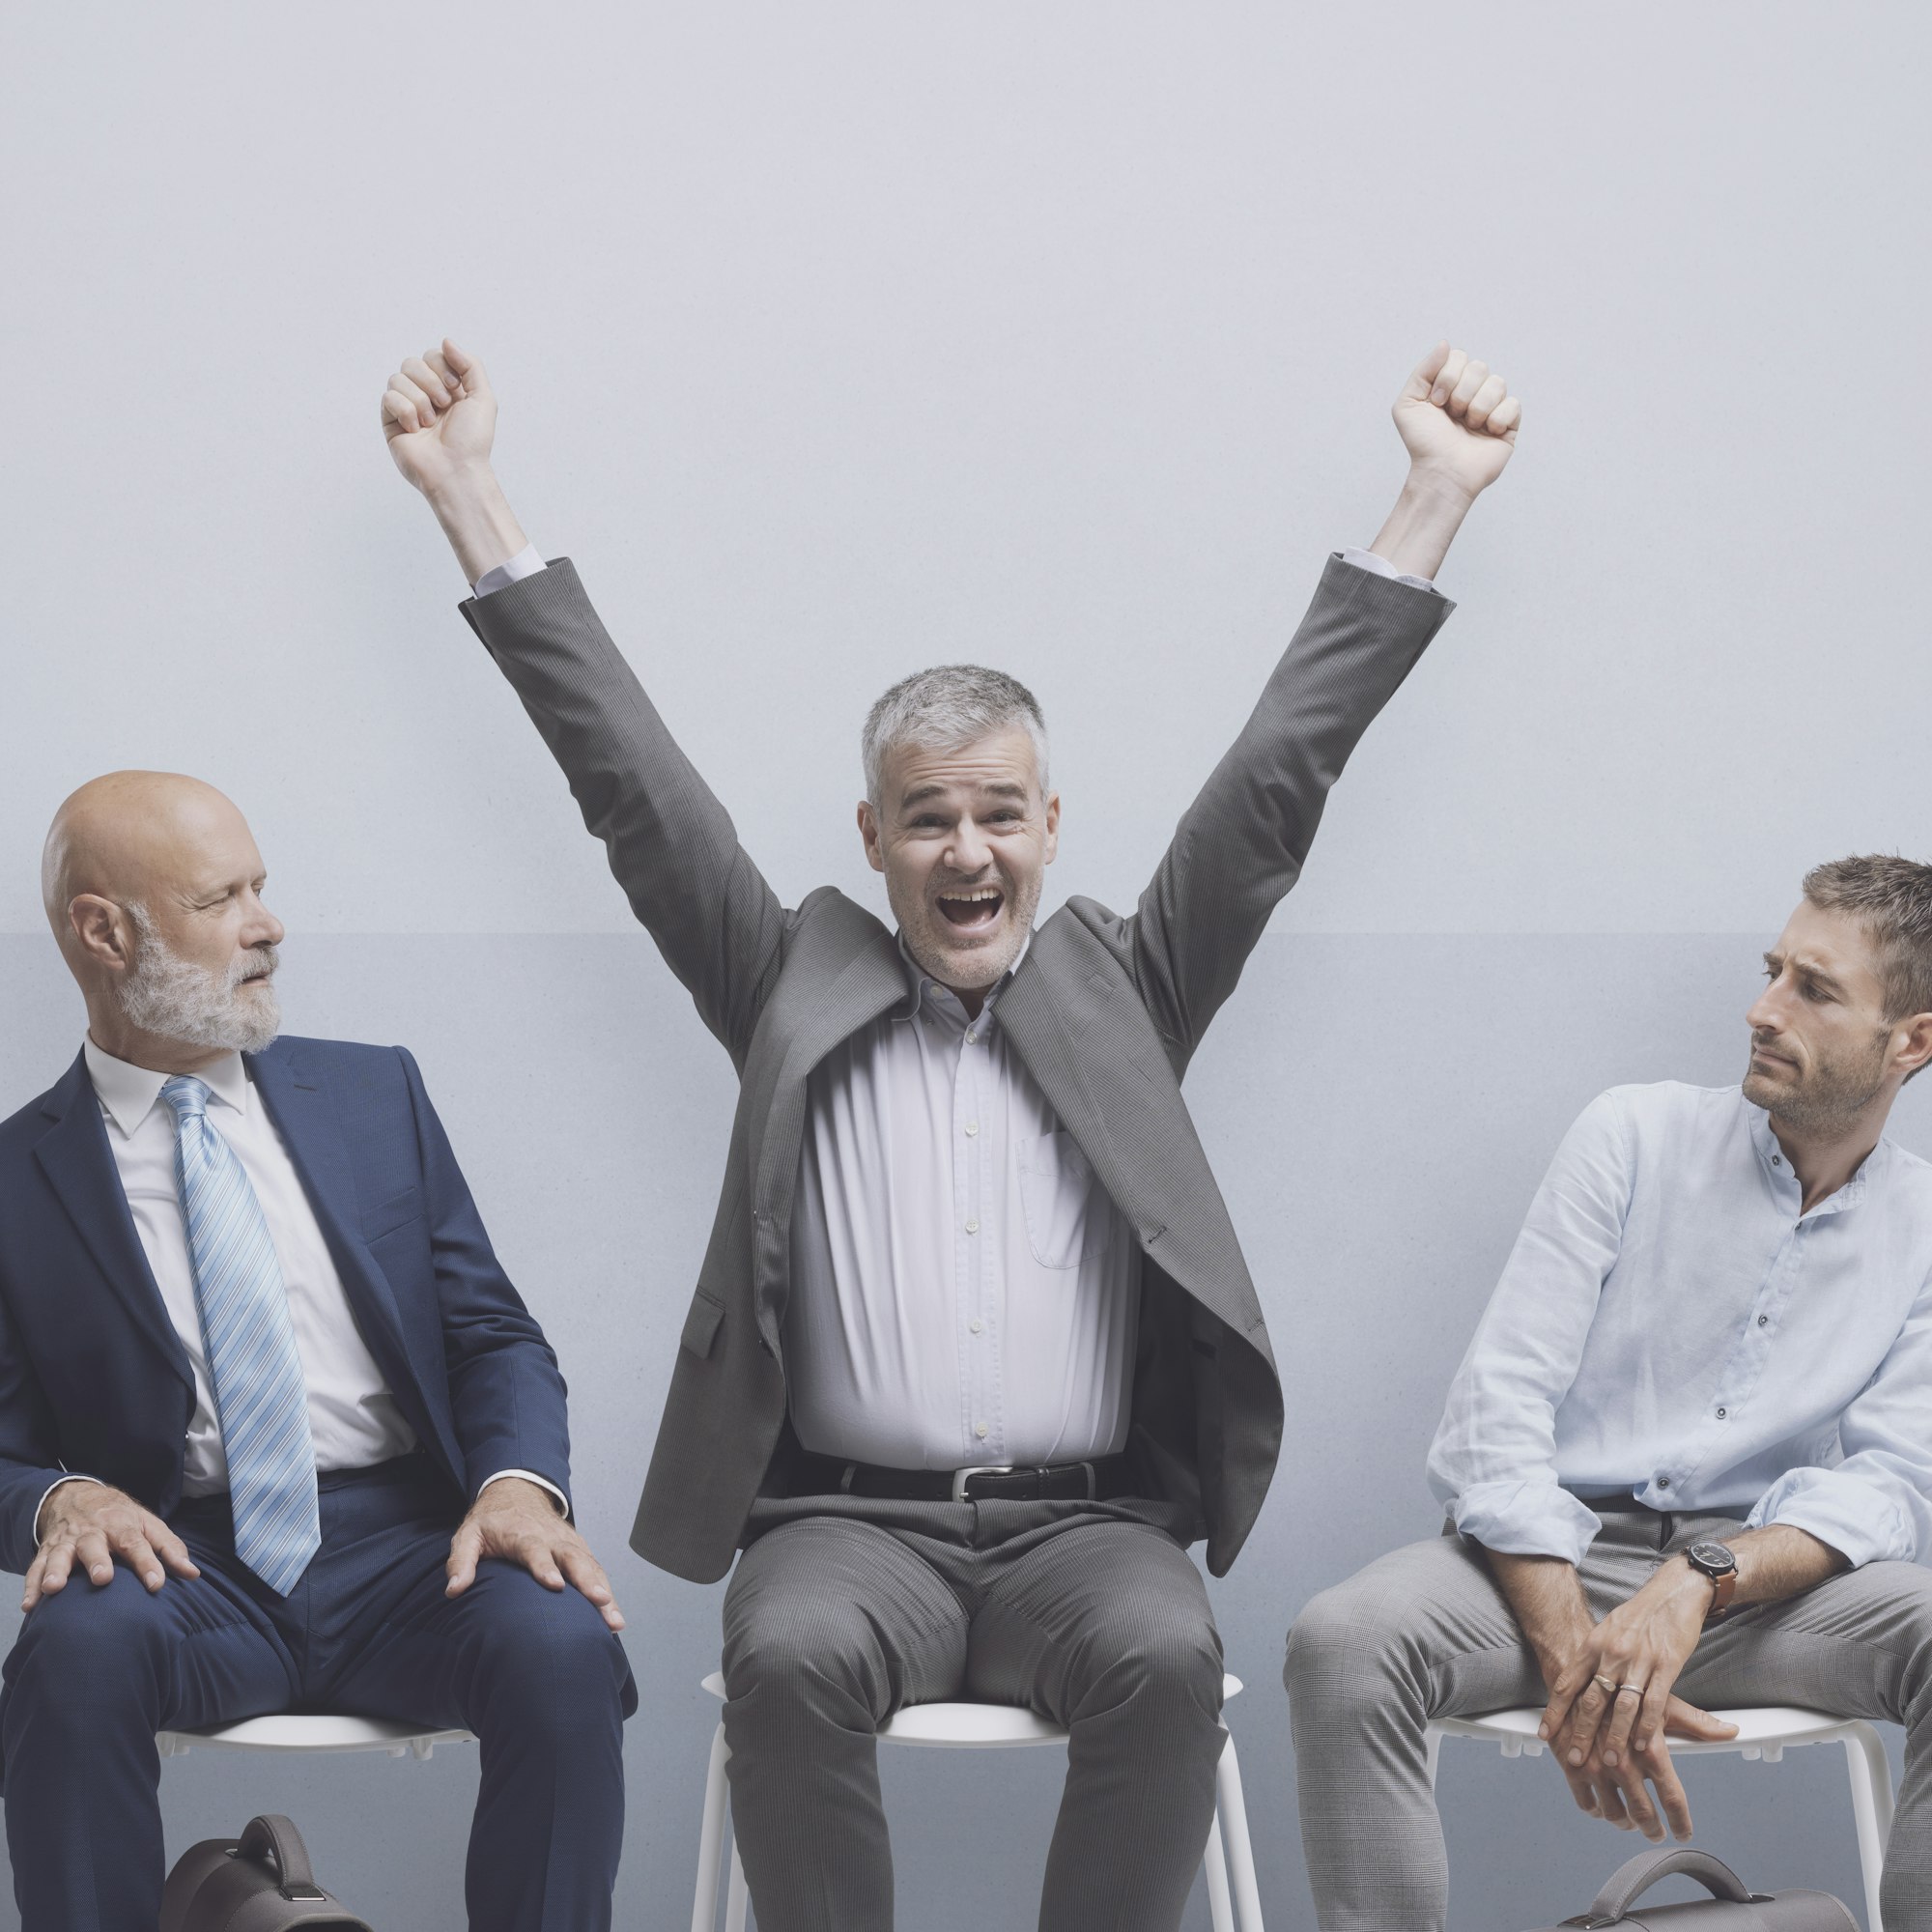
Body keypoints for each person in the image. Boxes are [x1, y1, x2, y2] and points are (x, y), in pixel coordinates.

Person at [380, 333, 1520, 1932]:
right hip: (845, 1528)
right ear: (875, 839)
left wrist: (1430, 498)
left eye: (1000, 812)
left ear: (1051, 829)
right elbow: (627, 783)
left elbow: (1279, 781)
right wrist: (469, 493)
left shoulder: (1128, 981)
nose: (966, 848)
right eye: (928, 817)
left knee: (1171, 1654)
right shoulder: (786, 978)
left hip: (1091, 1528)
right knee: (778, 1659)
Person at [0, 771, 637, 1932]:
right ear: (104, 931)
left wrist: (514, 1485)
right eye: (220, 897)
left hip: (410, 1553)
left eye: (262, 886)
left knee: (561, 1639)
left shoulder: (372, 1089)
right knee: (70, 1652)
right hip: (184, 1566)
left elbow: (492, 1332)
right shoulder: (12, 1181)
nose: (267, 922)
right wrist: (59, 1497)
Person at [1285, 856, 1932, 1932]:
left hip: (1753, 1593)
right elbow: (1492, 1420)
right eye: (1771, 969)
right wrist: (1570, 1646)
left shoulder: (1921, 1226)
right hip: (1544, 1560)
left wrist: (1695, 1580)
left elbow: (1889, 1485)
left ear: (1910, 1039)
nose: (1760, 1009)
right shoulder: (1628, 1134)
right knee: (1340, 1636)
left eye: (1812, 990)